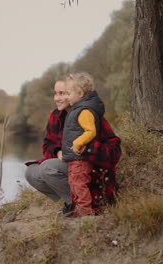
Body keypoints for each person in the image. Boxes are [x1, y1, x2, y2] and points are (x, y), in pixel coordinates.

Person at [24, 74, 121, 216]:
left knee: (46, 168)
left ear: (77, 94)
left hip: (91, 170)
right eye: (55, 93)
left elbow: (115, 151)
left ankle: (89, 204)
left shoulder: (87, 114)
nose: (56, 98)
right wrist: (58, 152)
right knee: (31, 172)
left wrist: (87, 148)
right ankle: (72, 203)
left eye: (63, 93)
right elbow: (47, 145)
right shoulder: (56, 116)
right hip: (69, 164)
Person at [62, 73, 105, 216]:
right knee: (74, 183)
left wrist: (77, 143)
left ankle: (85, 213)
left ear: (80, 93)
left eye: (68, 93)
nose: (66, 97)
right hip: (75, 158)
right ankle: (79, 210)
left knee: (79, 184)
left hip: (80, 157)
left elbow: (90, 131)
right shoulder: (78, 109)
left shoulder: (84, 111)